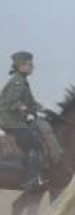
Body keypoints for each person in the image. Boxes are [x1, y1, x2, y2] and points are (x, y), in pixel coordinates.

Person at [0, 51, 47, 189]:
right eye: (29, 65)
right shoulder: (18, 82)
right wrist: (23, 108)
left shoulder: (22, 81)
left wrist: (42, 108)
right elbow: (11, 102)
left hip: (17, 121)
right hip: (13, 122)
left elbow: (30, 102)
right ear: (20, 66)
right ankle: (31, 179)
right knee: (33, 145)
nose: (32, 67)